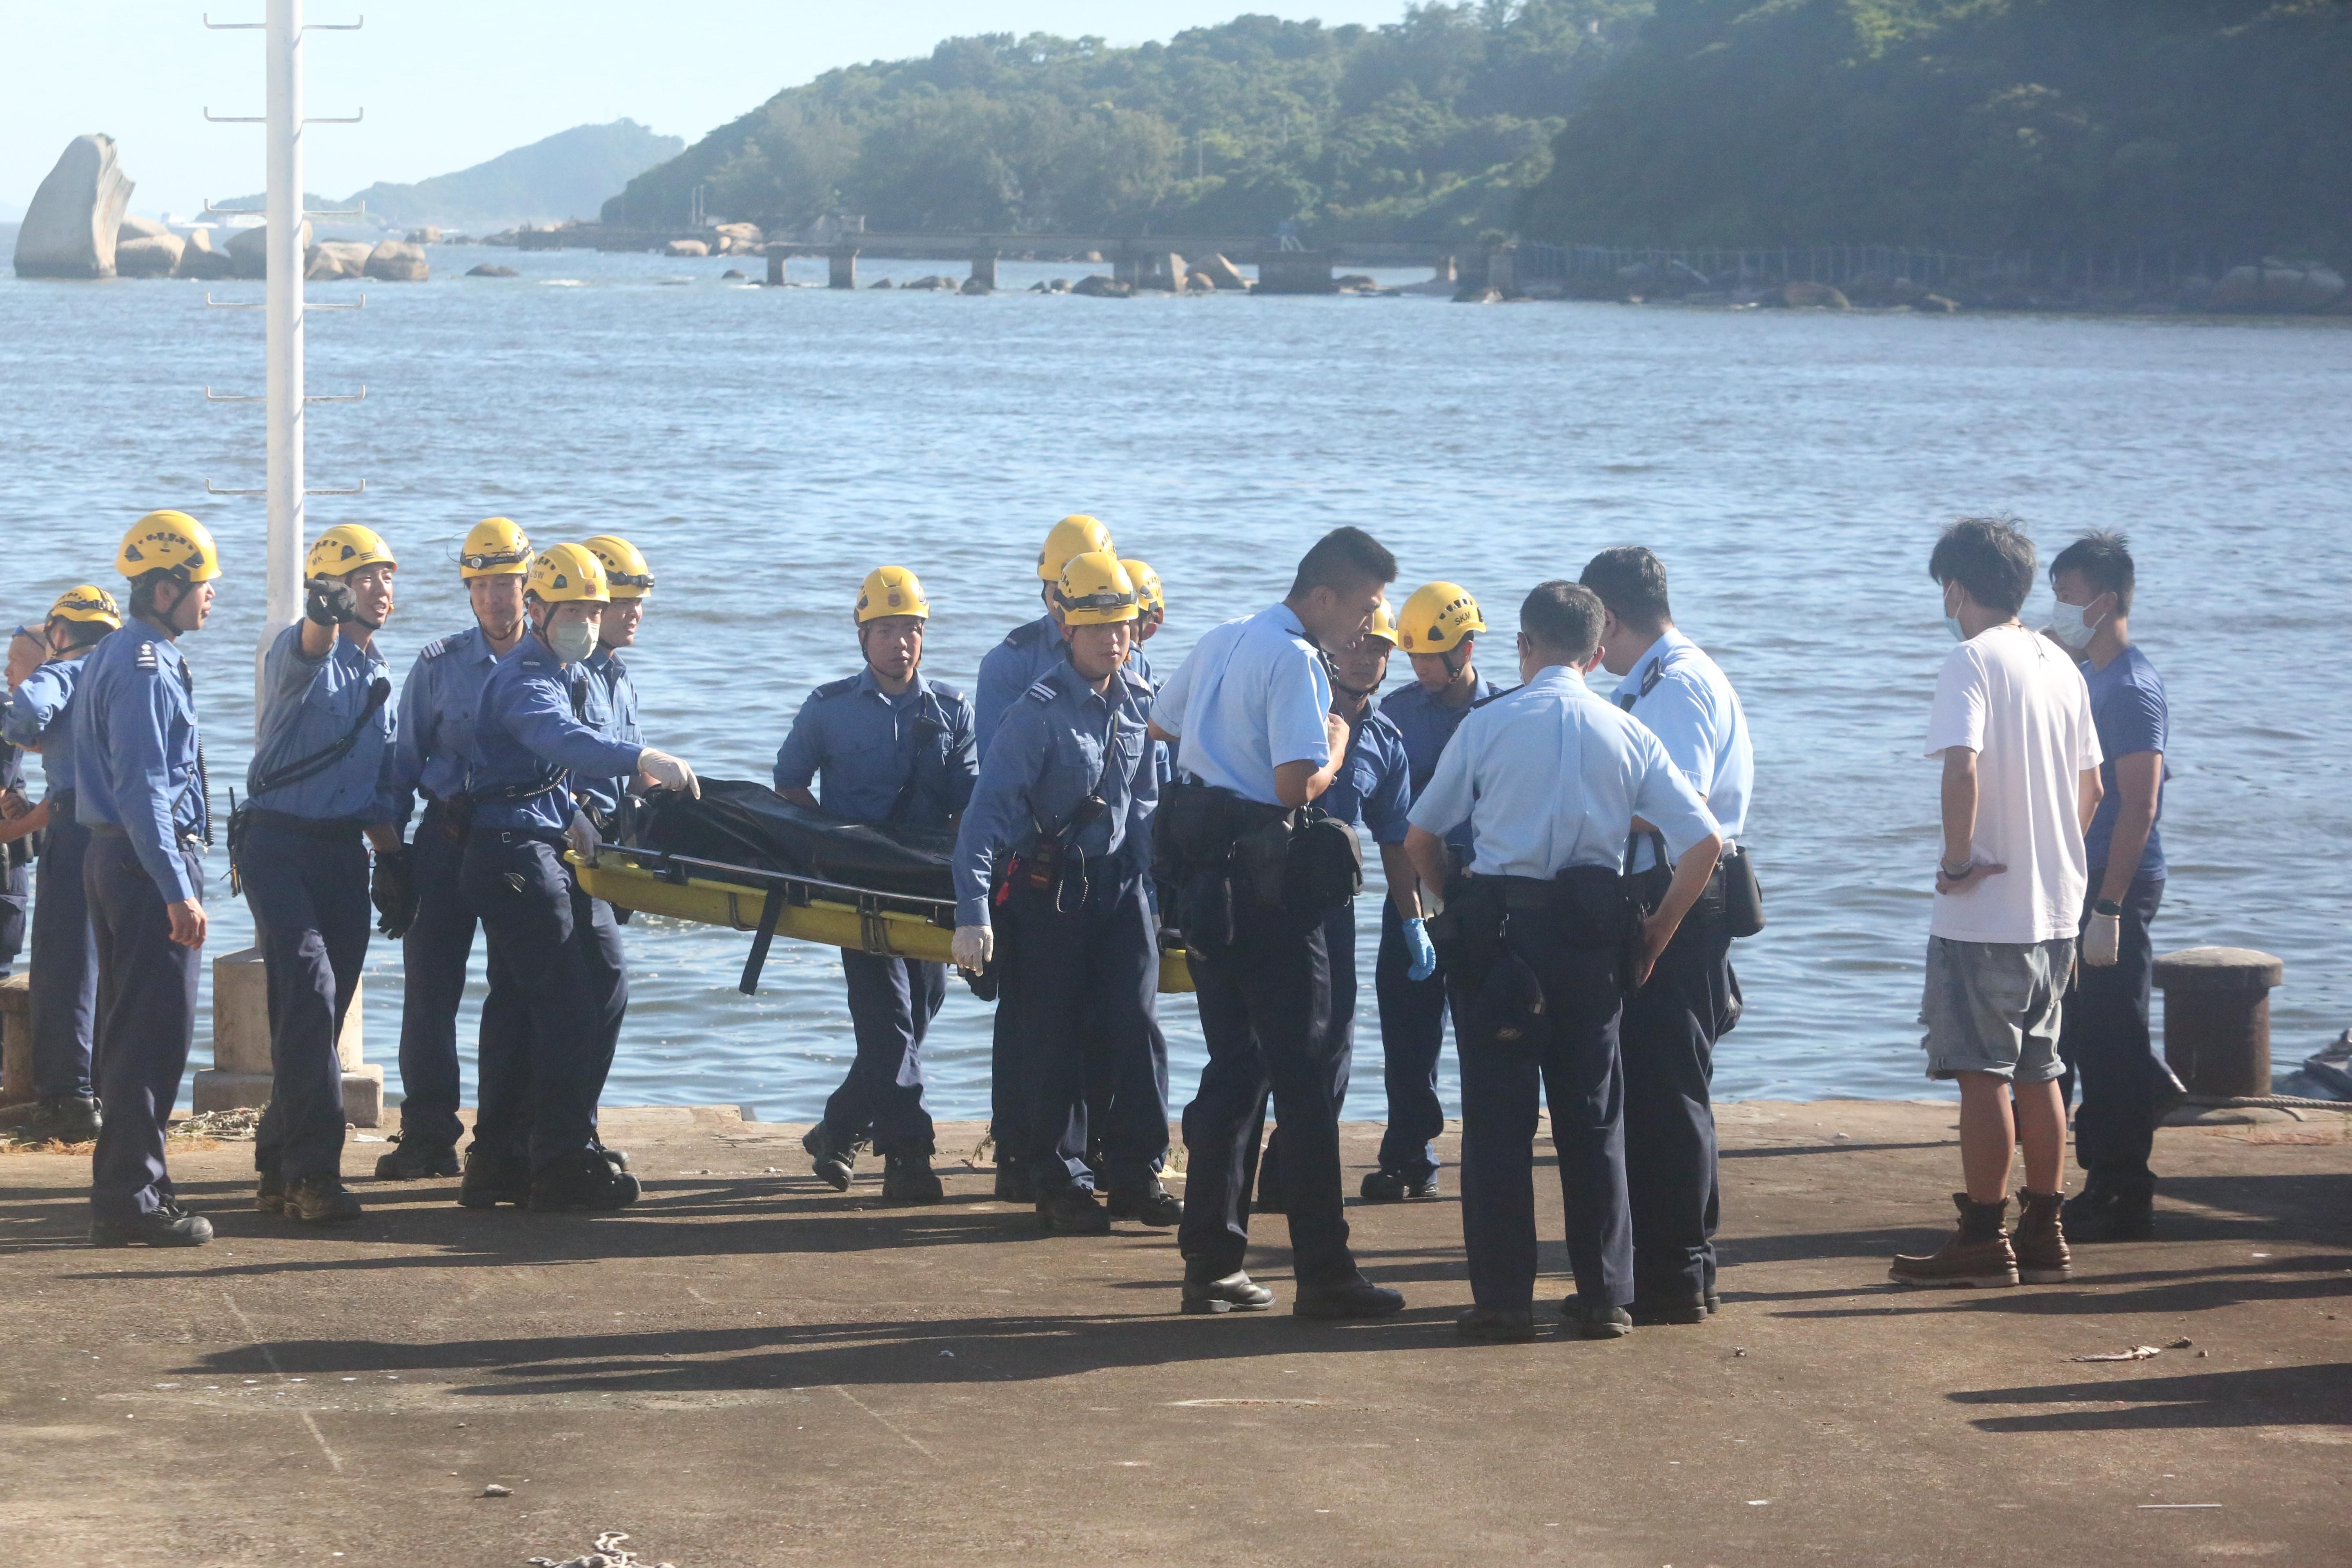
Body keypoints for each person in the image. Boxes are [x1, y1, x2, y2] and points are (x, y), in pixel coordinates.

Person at [1404, 581, 1722, 1343]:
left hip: (1504, 938)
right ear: (1596, 649)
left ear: (1524, 645)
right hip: (1591, 941)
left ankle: (1505, 1300)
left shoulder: (1489, 725)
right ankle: (1605, 1294)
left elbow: (1421, 837)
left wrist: (1457, 912)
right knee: (1594, 1120)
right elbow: (1704, 844)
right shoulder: (1626, 730)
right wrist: (1656, 936)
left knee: (1497, 1124)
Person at [1150, 525, 1405, 1319]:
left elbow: (1162, 723)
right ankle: (1325, 1273)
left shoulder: (1227, 635)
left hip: (1208, 885)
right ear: (1323, 596)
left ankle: (1212, 1262)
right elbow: (1298, 786)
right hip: (1272, 889)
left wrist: (1230, 748)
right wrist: (1336, 741)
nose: (1367, 625)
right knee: (1304, 1077)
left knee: (1234, 1066)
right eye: (1364, 607)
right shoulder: (1296, 658)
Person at [1892, 517, 2102, 1290]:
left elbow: (1962, 770)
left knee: (1982, 1073)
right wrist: (2056, 856)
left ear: (1955, 587)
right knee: (2041, 1071)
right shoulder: (2060, 661)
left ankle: (1982, 1235)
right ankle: (2045, 1228)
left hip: (1987, 912)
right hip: (2056, 908)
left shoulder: (1971, 660)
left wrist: (1958, 861)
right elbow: (2093, 788)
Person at [460, 543, 700, 1212]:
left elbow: (544, 770)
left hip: (537, 846)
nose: (587, 623)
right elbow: (559, 741)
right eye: (573, 611)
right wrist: (639, 757)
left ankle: (505, 1156)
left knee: (538, 1005)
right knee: (567, 1009)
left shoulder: (567, 672)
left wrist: (573, 812)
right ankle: (558, 1161)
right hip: (513, 857)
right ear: (538, 610)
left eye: (594, 611)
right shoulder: (527, 678)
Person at [950, 552, 1180, 1234]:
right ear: (1066, 626)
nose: (1114, 638)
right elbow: (985, 817)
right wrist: (973, 914)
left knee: (1137, 1032)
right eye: (1098, 625)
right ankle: (1062, 1180)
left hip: (1122, 892)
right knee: (1054, 1041)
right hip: (1053, 895)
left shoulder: (1143, 701)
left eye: (1123, 624)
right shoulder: (1035, 714)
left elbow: (1145, 807)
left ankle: (1138, 1174)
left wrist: (1158, 903)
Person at [1581, 546, 1754, 1323]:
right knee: (1661, 1088)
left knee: (1667, 1090)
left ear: (1609, 618)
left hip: (1678, 896)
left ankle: (1678, 1270)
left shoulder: (1677, 686)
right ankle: (1679, 1263)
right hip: (1671, 888)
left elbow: (1670, 807)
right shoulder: (1652, 679)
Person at [774, 566, 978, 1203]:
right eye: (885, 630)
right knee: (889, 1023)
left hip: (926, 885)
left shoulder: (951, 708)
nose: (899, 643)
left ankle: (837, 1129)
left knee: (921, 1010)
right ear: (862, 636)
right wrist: (824, 846)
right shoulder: (828, 708)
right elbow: (788, 783)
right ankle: (908, 1155)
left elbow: (972, 799)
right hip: (856, 886)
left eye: (910, 630)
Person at [236, 525, 405, 1224]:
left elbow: (377, 788)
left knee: (319, 1017)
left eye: (387, 577)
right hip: (277, 845)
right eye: (363, 577)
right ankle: (314, 1175)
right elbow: (310, 646)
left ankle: (277, 1158)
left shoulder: (382, 675)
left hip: (342, 853)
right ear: (331, 588)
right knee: (309, 990)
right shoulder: (299, 648)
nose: (379, 588)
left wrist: (395, 860)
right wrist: (321, 612)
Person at [73, 511, 222, 1247]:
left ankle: (141, 1179)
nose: (210, 599)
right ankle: (130, 1199)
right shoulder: (145, 667)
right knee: (150, 1036)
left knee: (128, 1028)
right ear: (165, 589)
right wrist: (178, 888)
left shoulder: (114, 652)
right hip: (144, 861)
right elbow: (144, 787)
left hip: (113, 854)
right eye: (202, 587)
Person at [1254, 597, 1429, 1214]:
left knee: (1332, 1047)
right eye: (1357, 645)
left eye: (1379, 649)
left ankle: (1291, 1173)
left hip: (1333, 910)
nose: (1365, 658)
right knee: (1258, 1049)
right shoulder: (1297, 709)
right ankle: (1230, 1168)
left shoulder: (1386, 740)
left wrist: (1414, 922)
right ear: (1333, 647)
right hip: (1266, 898)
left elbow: (1396, 841)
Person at [376, 516, 534, 1181]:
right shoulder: (438, 666)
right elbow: (401, 766)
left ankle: (505, 1137)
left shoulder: (555, 666)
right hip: (443, 843)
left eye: (509, 583)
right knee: (430, 993)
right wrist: (389, 859)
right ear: (469, 592)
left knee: (517, 994)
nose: (498, 598)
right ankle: (427, 1132)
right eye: (485, 584)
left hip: (523, 850)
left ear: (530, 586)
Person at [973, 513, 1113, 1202]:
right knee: (1027, 1015)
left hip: (1098, 872)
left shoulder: (1122, 655)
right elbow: (1003, 775)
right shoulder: (1011, 663)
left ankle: (1082, 1153)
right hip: (1031, 865)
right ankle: (1018, 1150)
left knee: (1090, 1016)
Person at [2045, 531, 2176, 1243]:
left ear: (2104, 599)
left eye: (2065, 596)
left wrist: (2109, 907)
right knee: (2081, 1033)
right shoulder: (2091, 673)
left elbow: (2140, 802)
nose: (2057, 608)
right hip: (2085, 876)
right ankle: (2098, 1176)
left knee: (2113, 1038)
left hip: (2114, 882)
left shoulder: (2128, 686)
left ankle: (2126, 1189)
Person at [1362, 580, 1494, 1201]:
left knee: (1486, 1025)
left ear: (1465, 651)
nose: (1418, 669)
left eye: (1429, 658)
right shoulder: (1396, 713)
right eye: (1411, 657)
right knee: (1407, 1025)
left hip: (1480, 887)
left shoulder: (1502, 715)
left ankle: (1493, 1149)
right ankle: (1409, 1154)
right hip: (1412, 890)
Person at [2, 586, 122, 1143]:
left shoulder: (68, 670)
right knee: (117, 962)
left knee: (66, 962)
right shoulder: (138, 671)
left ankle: (70, 1097)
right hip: (135, 829)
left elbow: (24, 710)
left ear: (59, 635)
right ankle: (109, 1086)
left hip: (76, 827)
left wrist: (28, 739)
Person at [578, 534, 653, 842]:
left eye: (637, 602)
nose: (634, 613)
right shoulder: (568, 674)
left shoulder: (620, 677)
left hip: (612, 837)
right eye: (622, 603)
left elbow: (638, 774)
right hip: (572, 836)